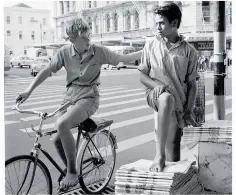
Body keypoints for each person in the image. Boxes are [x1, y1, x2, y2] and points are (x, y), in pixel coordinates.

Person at [16, 17, 142, 191]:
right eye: (85, 38)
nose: (89, 40)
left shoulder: (98, 51)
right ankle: (71, 167)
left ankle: (73, 173)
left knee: (62, 124)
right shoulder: (64, 52)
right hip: (69, 98)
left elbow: (122, 57)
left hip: (89, 97)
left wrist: (148, 50)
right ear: (72, 40)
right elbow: (46, 71)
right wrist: (28, 91)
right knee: (56, 139)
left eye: (89, 36)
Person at [138, 2, 200, 172]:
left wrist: (188, 111)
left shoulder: (190, 51)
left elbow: (192, 84)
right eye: (156, 23)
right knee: (166, 98)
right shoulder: (150, 45)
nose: (157, 27)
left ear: (174, 23)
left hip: (179, 103)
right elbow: (143, 76)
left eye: (161, 23)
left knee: (173, 149)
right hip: (155, 95)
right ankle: (159, 155)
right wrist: (156, 85)